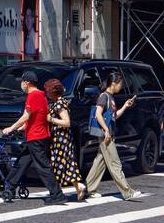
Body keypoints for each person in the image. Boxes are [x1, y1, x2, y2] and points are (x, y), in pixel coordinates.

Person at [0, 71, 66, 204]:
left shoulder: (33, 95)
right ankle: (10, 187)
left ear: (27, 83)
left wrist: (11, 128)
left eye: (22, 82)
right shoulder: (41, 95)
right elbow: (37, 117)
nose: (21, 84)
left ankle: (57, 194)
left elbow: (26, 116)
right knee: (22, 161)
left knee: (42, 166)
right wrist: (21, 128)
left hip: (36, 137)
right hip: (38, 135)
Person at [84, 72, 143, 200]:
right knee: (115, 164)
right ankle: (127, 192)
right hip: (106, 135)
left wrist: (125, 106)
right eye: (120, 84)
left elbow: (114, 116)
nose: (121, 87)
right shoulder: (104, 96)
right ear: (113, 83)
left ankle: (89, 188)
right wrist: (106, 130)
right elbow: (98, 115)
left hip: (108, 133)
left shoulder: (111, 97)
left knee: (99, 163)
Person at [45, 79, 87, 201]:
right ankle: (78, 186)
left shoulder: (59, 104)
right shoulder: (60, 102)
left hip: (60, 139)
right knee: (67, 164)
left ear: (53, 92)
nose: (46, 93)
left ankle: (57, 193)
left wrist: (50, 119)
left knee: (57, 164)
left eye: (48, 90)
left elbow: (66, 122)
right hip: (62, 138)